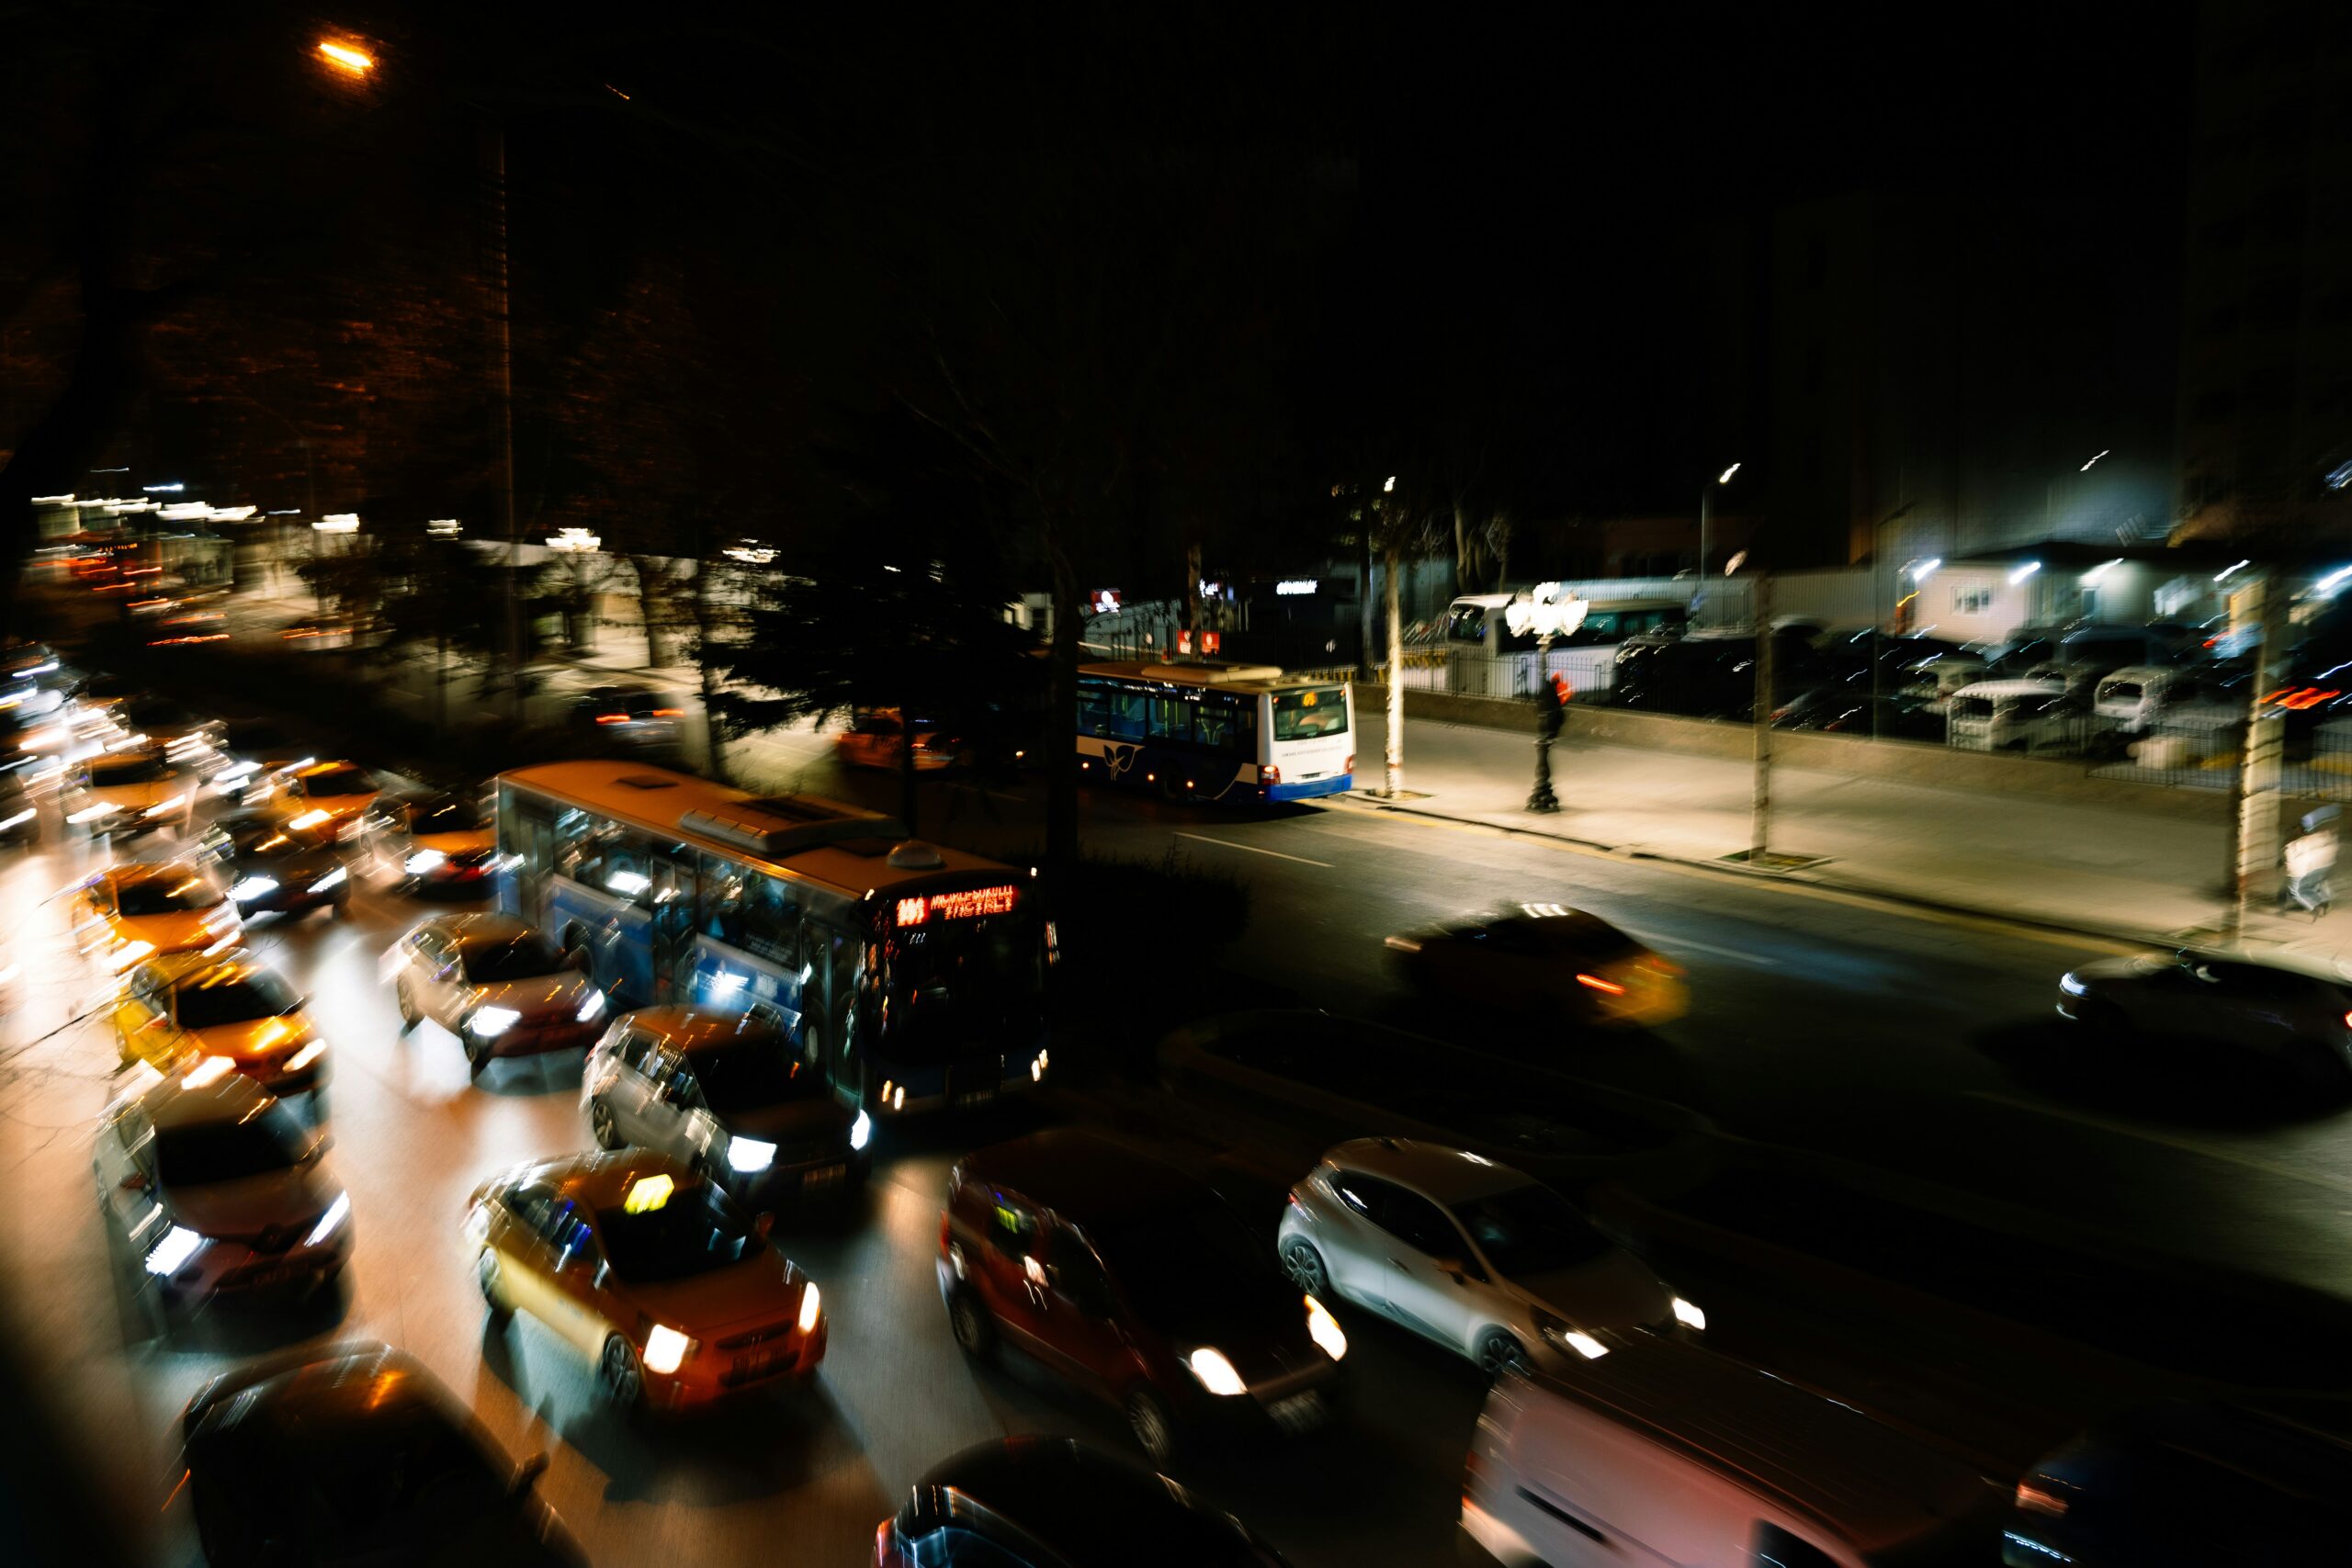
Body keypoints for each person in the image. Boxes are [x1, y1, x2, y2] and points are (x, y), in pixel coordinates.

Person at [2281, 815, 2337, 915]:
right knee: (2312, 885)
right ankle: (2321, 903)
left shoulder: (2301, 840)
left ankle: (2316, 905)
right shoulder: (2308, 838)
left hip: (2308, 867)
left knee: (2300, 889)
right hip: (2313, 866)